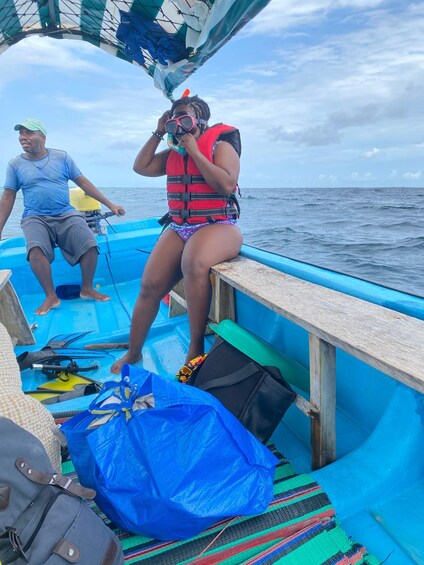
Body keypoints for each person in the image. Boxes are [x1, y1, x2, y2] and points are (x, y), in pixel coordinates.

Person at [111, 95, 242, 374]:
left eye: (185, 119)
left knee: (193, 263)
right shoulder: (173, 154)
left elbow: (227, 184)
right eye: (174, 120)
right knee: (149, 285)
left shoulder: (221, 146)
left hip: (219, 226)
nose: (179, 126)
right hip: (181, 226)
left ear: (201, 122)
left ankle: (196, 347)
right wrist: (158, 132)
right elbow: (141, 167)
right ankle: (134, 353)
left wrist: (195, 151)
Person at [0, 119, 126, 315]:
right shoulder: (15, 164)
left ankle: (87, 288)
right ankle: (51, 296)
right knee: (35, 251)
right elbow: (8, 197)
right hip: (35, 217)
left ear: (43, 137)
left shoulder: (62, 157)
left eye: (28, 133)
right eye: (21, 133)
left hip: (66, 213)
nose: (23, 137)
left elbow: (84, 183)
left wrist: (111, 205)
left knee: (90, 245)